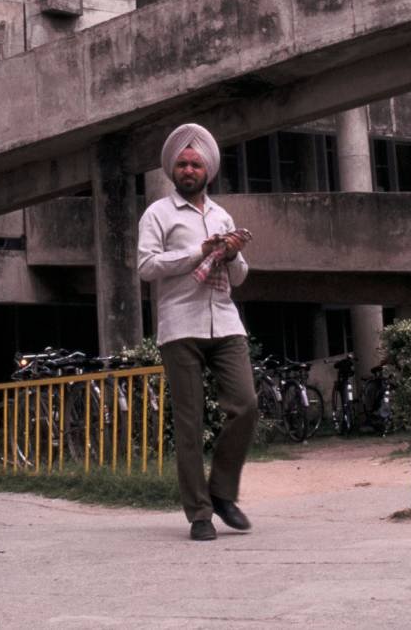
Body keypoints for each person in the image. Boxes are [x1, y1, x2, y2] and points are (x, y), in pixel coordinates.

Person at [136, 122, 256, 541]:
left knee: (246, 405)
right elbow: (147, 266)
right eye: (182, 164)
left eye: (195, 164)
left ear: (208, 169)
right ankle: (199, 514)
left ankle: (222, 492)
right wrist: (198, 252)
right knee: (189, 422)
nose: (189, 170)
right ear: (173, 170)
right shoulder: (158, 214)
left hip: (224, 321)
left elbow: (238, 278)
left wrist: (234, 255)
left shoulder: (222, 215)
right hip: (180, 325)